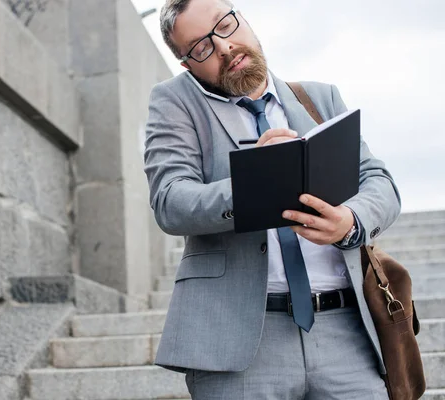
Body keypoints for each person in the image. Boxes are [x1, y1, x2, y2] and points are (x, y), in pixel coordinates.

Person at [143, 0, 401, 399]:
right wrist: (258, 178)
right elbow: (170, 201)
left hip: (347, 332)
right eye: (201, 48)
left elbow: (378, 181)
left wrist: (349, 221)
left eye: (225, 26)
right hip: (240, 340)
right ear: (187, 65)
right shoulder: (175, 103)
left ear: (243, 18)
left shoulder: (319, 98)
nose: (224, 47)